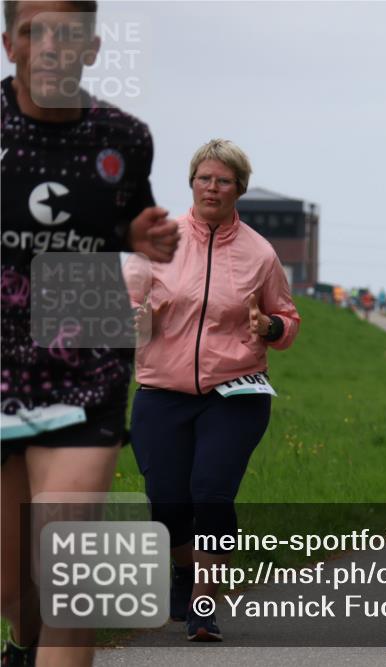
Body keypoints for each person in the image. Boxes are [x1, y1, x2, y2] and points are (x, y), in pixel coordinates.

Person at [1, 3, 181, 665]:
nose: (51, 46)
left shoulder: (124, 137)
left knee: (70, 571)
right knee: (10, 582)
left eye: (68, 33)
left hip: (79, 339)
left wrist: (140, 236)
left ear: (94, 47)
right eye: (34, 31)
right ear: (9, 43)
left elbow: (132, 221)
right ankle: (22, 641)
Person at [127, 139, 300, 642]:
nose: (213, 187)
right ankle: (184, 572)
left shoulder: (260, 253)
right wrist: (137, 320)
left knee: (212, 493)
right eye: (205, 178)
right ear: (192, 183)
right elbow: (120, 317)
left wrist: (268, 326)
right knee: (166, 501)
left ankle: (204, 602)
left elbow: (288, 322)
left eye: (223, 180)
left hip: (236, 391)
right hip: (163, 389)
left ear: (239, 189)